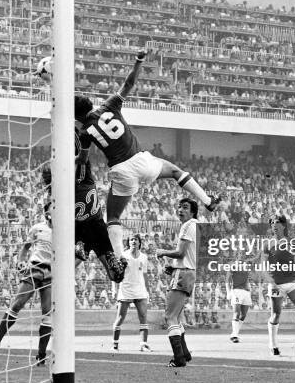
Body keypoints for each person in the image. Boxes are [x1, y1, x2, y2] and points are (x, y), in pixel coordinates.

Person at [75, 51, 221, 260]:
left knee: (114, 217)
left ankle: (118, 259)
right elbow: (129, 83)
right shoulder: (109, 106)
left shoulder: (84, 132)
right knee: (175, 171)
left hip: (121, 170)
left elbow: (82, 159)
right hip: (142, 161)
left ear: (77, 116)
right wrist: (138, 62)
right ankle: (208, 201)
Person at [41, 131, 127, 283]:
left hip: (91, 230)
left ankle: (114, 261)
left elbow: (80, 155)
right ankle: (80, 249)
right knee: (56, 275)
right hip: (88, 230)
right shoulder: (61, 192)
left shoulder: (77, 180)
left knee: (116, 277)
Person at [0, 203, 53, 366]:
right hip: (35, 268)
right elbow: (25, 248)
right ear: (46, 212)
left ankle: (41, 355)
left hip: (52, 273)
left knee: (47, 314)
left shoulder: (66, 230)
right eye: (52, 207)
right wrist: (21, 262)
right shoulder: (37, 228)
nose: (55, 209)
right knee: (17, 305)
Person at [262, 215, 295, 356]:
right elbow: (263, 266)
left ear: (284, 225)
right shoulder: (267, 244)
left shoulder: (292, 242)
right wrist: (270, 281)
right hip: (276, 284)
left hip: (292, 282)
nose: (274, 224)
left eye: (277, 222)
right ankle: (273, 345)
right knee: (276, 315)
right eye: (272, 222)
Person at [156, 198, 198, 367]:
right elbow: (187, 256)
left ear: (193, 211)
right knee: (177, 316)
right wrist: (173, 267)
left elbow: (180, 252)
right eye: (179, 206)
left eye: (185, 207)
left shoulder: (188, 226)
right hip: (188, 273)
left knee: (170, 316)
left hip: (184, 274)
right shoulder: (196, 226)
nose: (180, 210)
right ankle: (185, 354)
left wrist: (162, 252)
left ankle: (179, 359)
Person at [112, 234, 151, 352]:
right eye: (131, 240)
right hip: (126, 290)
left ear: (140, 242)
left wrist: (148, 290)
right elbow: (117, 273)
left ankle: (143, 345)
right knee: (120, 318)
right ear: (128, 242)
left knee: (143, 317)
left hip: (140, 290)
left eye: (136, 240)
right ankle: (115, 345)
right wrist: (115, 289)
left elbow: (144, 275)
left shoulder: (144, 257)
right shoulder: (123, 256)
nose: (133, 241)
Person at [226, 252, 252, 343]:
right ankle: (235, 335)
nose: (242, 255)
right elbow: (227, 280)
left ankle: (234, 333)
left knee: (243, 315)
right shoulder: (232, 265)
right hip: (236, 291)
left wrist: (249, 288)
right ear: (236, 256)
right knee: (236, 313)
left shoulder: (247, 266)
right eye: (240, 254)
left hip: (246, 292)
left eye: (243, 254)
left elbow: (247, 278)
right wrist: (228, 292)